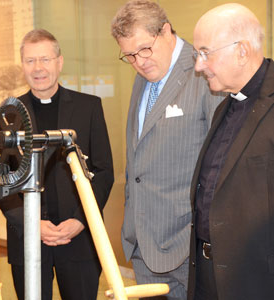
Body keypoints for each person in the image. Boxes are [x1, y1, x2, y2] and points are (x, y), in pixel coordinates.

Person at [110, 1, 223, 299]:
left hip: (187, 245)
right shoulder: (142, 77)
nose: (140, 61)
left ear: (166, 30)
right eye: (130, 55)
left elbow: (221, 164)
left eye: (145, 49)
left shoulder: (204, 74)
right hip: (142, 242)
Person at [0, 29, 114, 300]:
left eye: (45, 59)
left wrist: (80, 219)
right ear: (22, 65)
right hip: (28, 240)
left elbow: (104, 171)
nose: (38, 68)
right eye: (30, 61)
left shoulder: (89, 107)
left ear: (59, 62)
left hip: (78, 238)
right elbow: (2, 181)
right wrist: (31, 223)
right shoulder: (7, 114)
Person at [188, 4, 274, 300]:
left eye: (205, 52)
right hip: (208, 274)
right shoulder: (224, 106)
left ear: (242, 50)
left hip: (257, 281)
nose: (199, 66)